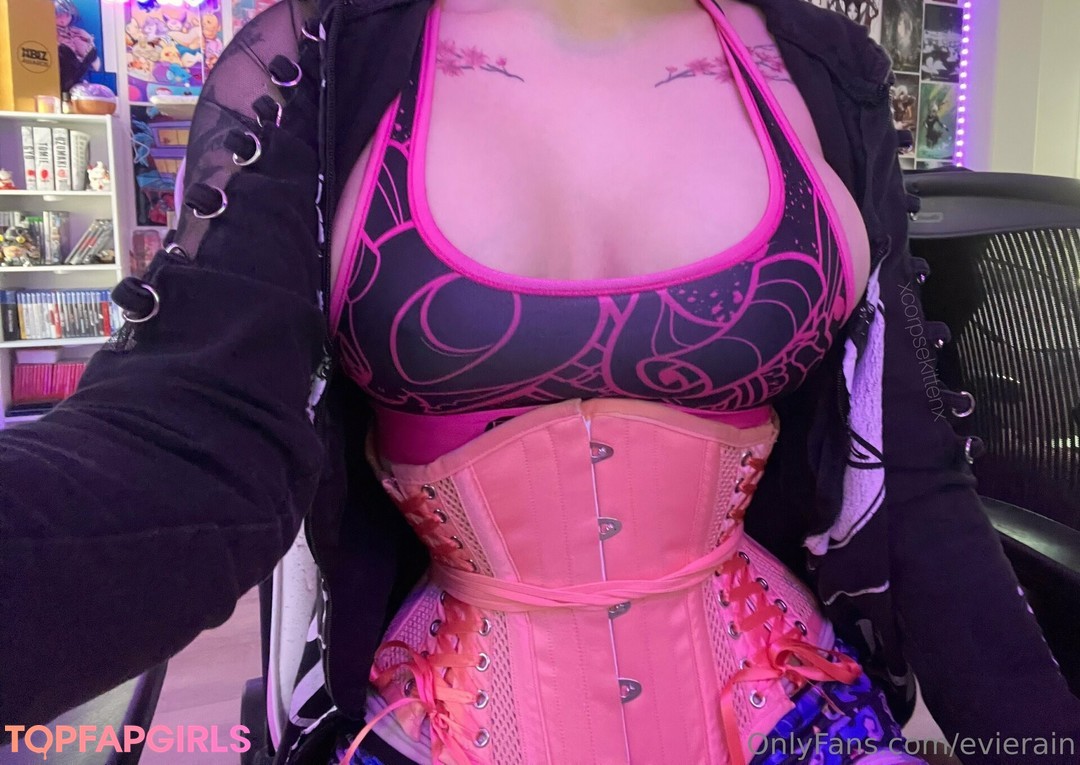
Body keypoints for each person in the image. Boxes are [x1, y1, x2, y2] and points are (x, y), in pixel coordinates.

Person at [1, 1, 1078, 764]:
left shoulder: (823, 71)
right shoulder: (320, 62)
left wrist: (1035, 742)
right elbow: (188, 448)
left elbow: (914, 472)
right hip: (450, 715)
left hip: (788, 709)